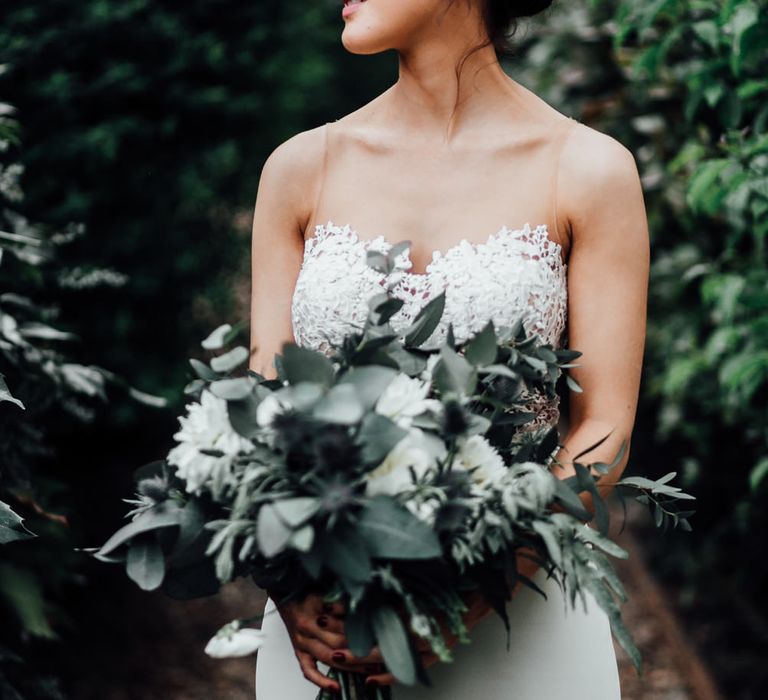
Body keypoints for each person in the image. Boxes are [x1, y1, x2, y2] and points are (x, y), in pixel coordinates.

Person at [248, 0, 649, 697]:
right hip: (332, 623)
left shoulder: (588, 170)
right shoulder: (299, 168)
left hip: (521, 626)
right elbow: (262, 407)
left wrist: (480, 588)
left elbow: (603, 428)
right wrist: (288, 588)